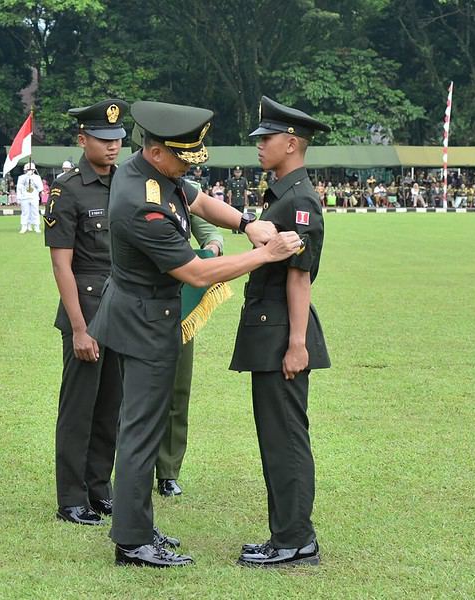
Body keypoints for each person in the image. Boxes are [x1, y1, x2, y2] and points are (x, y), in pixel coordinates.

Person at [87, 100, 302, 568]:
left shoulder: (151, 173)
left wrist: (246, 222)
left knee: (143, 425)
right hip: (145, 324)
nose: (188, 165)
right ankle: (132, 541)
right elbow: (197, 273)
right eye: (182, 157)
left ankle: (137, 524)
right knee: (142, 430)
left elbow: (198, 199)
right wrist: (264, 254)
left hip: (139, 315)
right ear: (158, 151)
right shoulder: (142, 205)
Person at [231, 96, 331, 569]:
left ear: (291, 144)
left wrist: (296, 344)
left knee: (286, 438)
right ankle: (285, 535)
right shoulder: (282, 193)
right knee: (275, 437)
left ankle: (296, 540)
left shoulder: (300, 199)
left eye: (266, 139)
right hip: (270, 331)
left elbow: (299, 274)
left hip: (282, 335)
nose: (259, 146)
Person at [43, 99, 129, 526]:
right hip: (86, 308)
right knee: (79, 407)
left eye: (117, 139)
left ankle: (100, 489)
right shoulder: (68, 188)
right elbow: (62, 264)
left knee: (111, 406)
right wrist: (79, 328)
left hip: (121, 311)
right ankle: (71, 497)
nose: (113, 147)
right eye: (103, 138)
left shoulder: (127, 182)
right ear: (83, 140)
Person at [156, 212, 223, 497]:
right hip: (133, 299)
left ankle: (168, 472)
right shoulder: (127, 185)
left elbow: (210, 232)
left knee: (176, 390)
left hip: (178, 304)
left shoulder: (183, 193)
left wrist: (214, 248)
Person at [17, 162, 43, 233]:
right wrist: (27, 177)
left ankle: (36, 226)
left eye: (31, 169)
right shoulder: (21, 177)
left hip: (34, 197)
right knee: (25, 212)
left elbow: (40, 188)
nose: (29, 171)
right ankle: (24, 226)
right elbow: (19, 187)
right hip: (24, 197)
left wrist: (33, 179)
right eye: (28, 169)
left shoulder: (37, 177)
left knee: (35, 212)